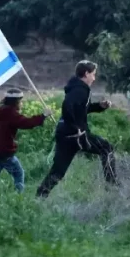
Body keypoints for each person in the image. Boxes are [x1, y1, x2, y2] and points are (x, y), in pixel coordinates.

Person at [36, 61, 116, 198]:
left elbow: (81, 108)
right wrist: (76, 127)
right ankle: (112, 185)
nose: (94, 78)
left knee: (58, 171)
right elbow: (67, 106)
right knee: (107, 148)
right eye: (93, 74)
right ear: (86, 74)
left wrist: (100, 106)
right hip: (76, 135)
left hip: (65, 134)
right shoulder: (80, 89)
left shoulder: (76, 87)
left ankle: (40, 196)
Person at [0, 89, 50, 192]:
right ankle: (19, 195)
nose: (22, 103)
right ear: (16, 102)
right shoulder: (11, 113)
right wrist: (43, 116)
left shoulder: (1, 111)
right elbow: (27, 123)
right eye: (21, 101)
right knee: (19, 173)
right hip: (4, 152)